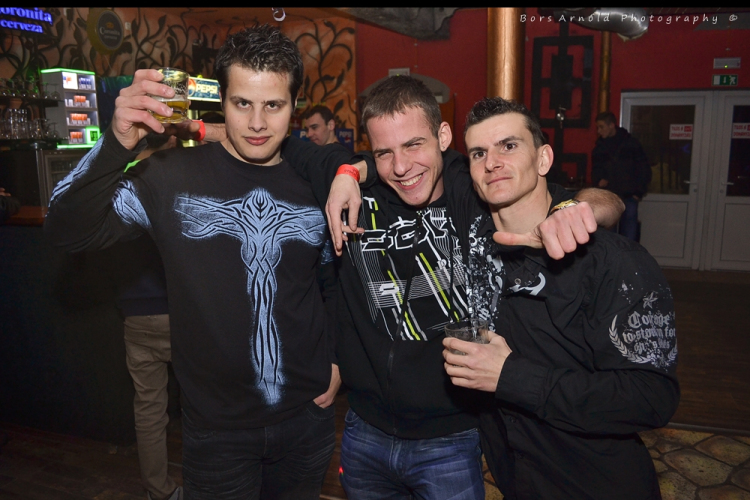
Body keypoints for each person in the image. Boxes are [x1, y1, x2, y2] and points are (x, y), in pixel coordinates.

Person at [277, 76, 626, 499]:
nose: (401, 167)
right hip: (364, 427)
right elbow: (276, 139)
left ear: (443, 136)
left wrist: (575, 210)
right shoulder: (357, 191)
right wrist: (347, 170)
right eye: (385, 153)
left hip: (451, 438)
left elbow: (608, 203)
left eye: (414, 145)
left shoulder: (477, 194)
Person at [44, 25, 343, 500]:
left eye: (274, 105)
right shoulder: (170, 178)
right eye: (242, 103)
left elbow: (335, 278)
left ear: (295, 106)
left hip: (307, 417)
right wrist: (116, 143)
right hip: (217, 432)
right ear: (221, 100)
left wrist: (338, 358)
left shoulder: (314, 182)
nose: (257, 123)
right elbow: (65, 229)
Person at [443, 97, 679, 499]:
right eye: (479, 153)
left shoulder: (612, 260)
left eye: (509, 146)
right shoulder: (475, 236)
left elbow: (651, 398)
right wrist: (349, 172)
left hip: (595, 483)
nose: (492, 162)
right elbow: (403, 158)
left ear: (543, 159)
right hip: (514, 477)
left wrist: (510, 376)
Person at [114, 133, 181, 500]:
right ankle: (211, 486)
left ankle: (158, 490)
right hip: (181, 314)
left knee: (149, 409)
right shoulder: (177, 182)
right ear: (169, 139)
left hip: (135, 314)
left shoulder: (118, 184)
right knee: (204, 405)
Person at [591, 111, 652, 242]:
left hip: (629, 195)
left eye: (601, 127)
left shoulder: (631, 144)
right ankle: (612, 256)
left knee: (629, 236)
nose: (599, 131)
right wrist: (599, 180)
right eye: (598, 127)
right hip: (609, 196)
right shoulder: (600, 147)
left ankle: (628, 256)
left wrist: (638, 192)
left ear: (611, 125)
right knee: (608, 236)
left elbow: (644, 168)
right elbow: (596, 169)